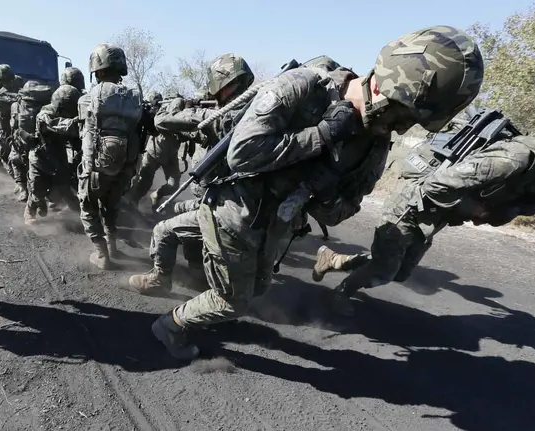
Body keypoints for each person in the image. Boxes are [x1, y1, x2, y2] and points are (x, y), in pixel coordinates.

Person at [150, 26, 485, 360]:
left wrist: (322, 193)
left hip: (277, 222)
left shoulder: (374, 143)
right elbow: (243, 153)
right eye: (404, 114)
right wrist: (322, 134)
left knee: (259, 289)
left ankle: (207, 292)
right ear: (386, 87)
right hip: (234, 209)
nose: (402, 128)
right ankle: (171, 325)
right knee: (234, 300)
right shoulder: (304, 86)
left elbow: (347, 207)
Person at [313, 113, 535, 317]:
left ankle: (333, 260)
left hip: (436, 212)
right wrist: (476, 210)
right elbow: (438, 184)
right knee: (385, 268)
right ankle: (341, 292)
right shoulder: (515, 159)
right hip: (412, 202)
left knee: (400, 271)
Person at [125, 53, 255, 295]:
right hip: (232, 200)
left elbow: (163, 121)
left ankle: (160, 280)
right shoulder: (251, 113)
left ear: (221, 85)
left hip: (219, 202)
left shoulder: (223, 117)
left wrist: (180, 107)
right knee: (184, 217)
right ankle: (198, 273)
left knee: (163, 228)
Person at [78, 43, 143, 269]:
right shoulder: (134, 95)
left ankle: (101, 253)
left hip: (97, 165)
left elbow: (82, 128)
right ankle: (113, 246)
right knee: (111, 206)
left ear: (98, 69)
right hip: (126, 166)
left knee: (88, 206)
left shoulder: (89, 97)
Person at [25, 84, 82, 223]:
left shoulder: (68, 115)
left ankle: (83, 216)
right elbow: (57, 124)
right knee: (37, 190)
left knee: (65, 190)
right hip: (40, 159)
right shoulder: (45, 114)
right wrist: (78, 122)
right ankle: (29, 212)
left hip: (59, 158)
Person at [0, 64, 23, 198]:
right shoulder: (22, 92)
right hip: (23, 131)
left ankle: (20, 184)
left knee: (7, 158)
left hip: (7, 133)